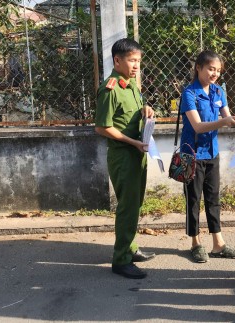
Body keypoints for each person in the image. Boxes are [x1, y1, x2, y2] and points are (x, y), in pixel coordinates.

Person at [95, 38, 155, 279]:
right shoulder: (110, 89)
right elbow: (102, 127)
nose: (136, 66)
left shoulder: (130, 85)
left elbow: (132, 113)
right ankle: (120, 260)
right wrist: (132, 142)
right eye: (132, 60)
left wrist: (146, 109)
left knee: (135, 204)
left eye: (138, 61)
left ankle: (130, 248)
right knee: (127, 207)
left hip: (137, 153)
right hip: (123, 156)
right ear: (117, 60)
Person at [179, 50, 235, 263]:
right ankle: (195, 243)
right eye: (210, 69)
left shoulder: (218, 91)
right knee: (194, 199)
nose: (214, 73)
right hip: (192, 155)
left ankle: (218, 243)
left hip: (212, 153)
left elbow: (227, 116)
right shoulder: (189, 93)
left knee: (213, 199)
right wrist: (224, 122)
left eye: (217, 70)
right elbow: (197, 126)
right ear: (199, 68)